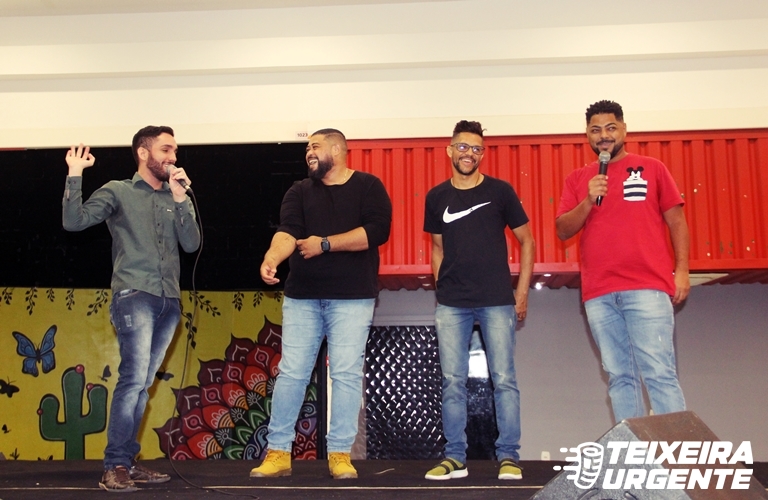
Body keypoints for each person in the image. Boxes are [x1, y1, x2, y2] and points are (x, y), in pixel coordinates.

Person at [62, 126, 201, 493]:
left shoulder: (175, 196)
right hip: (134, 294)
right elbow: (74, 222)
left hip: (169, 300)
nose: (173, 157)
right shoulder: (119, 190)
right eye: (166, 149)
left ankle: (126, 460)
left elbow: (191, 244)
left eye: (174, 151)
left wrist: (180, 199)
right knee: (133, 380)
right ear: (143, 153)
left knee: (142, 386)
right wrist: (75, 174)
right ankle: (115, 466)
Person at [250, 128, 392, 480]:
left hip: (353, 297)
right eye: (307, 148)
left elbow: (377, 232)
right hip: (302, 297)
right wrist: (272, 258)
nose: (308, 153)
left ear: (338, 149)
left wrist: (324, 244)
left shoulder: (368, 186)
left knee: (345, 375)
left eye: (315, 146)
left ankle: (340, 454)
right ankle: (278, 452)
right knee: (292, 373)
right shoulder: (299, 190)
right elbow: (287, 232)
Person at [556, 100, 689, 423]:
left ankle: (676, 452)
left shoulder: (652, 168)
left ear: (624, 130)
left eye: (611, 127)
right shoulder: (578, 180)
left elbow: (677, 222)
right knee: (619, 377)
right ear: (587, 135)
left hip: (648, 287)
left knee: (659, 372)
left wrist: (683, 271)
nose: (604, 135)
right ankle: (632, 450)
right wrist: (588, 200)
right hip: (599, 293)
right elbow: (563, 229)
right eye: (596, 130)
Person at [422, 120, 535, 481]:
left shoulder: (500, 192)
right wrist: (441, 290)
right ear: (450, 150)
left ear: (482, 154)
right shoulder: (436, 197)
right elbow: (437, 248)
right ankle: (455, 457)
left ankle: (509, 456)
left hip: (496, 300)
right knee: (452, 381)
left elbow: (527, 241)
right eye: (462, 146)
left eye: (476, 148)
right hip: (451, 304)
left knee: (504, 379)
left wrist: (520, 292)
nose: (468, 153)